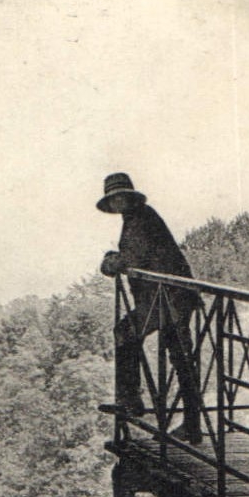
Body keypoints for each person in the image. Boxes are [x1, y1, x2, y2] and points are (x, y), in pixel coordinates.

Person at [98, 172, 202, 443]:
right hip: (171, 297)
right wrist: (116, 258)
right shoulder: (139, 217)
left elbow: (133, 257)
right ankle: (191, 425)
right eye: (113, 200)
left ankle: (131, 399)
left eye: (120, 197)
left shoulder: (140, 219)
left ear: (129, 198)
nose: (117, 203)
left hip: (167, 298)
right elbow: (137, 254)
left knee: (125, 332)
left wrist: (110, 262)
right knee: (181, 359)